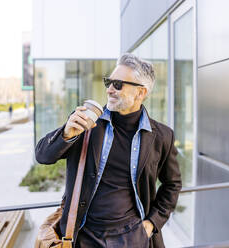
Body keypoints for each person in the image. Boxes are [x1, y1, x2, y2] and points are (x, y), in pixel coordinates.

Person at [35, 53, 182, 248]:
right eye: (108, 82)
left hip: (133, 239)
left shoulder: (162, 136)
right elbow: (42, 156)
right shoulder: (86, 122)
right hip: (83, 237)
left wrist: (151, 224)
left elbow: (172, 184)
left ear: (141, 93)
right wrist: (66, 133)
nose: (109, 90)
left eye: (118, 84)